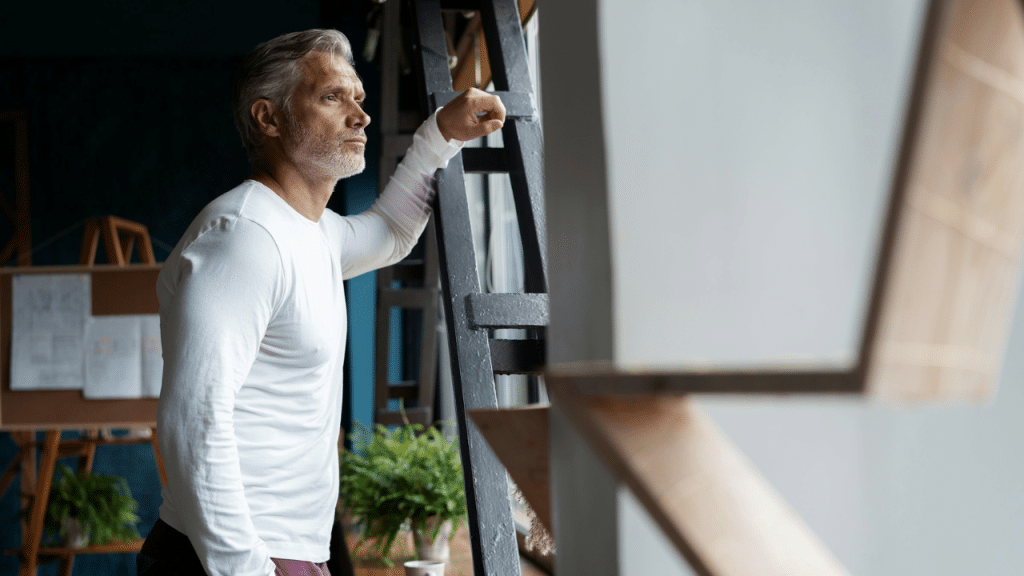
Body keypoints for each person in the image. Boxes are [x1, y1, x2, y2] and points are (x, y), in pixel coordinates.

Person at [137, 29, 506, 576]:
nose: (360, 116)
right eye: (333, 97)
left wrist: (441, 135)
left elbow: (390, 231)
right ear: (270, 118)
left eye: (359, 98)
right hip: (229, 558)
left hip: (287, 551)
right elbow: (192, 422)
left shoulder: (314, 234)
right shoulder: (244, 237)